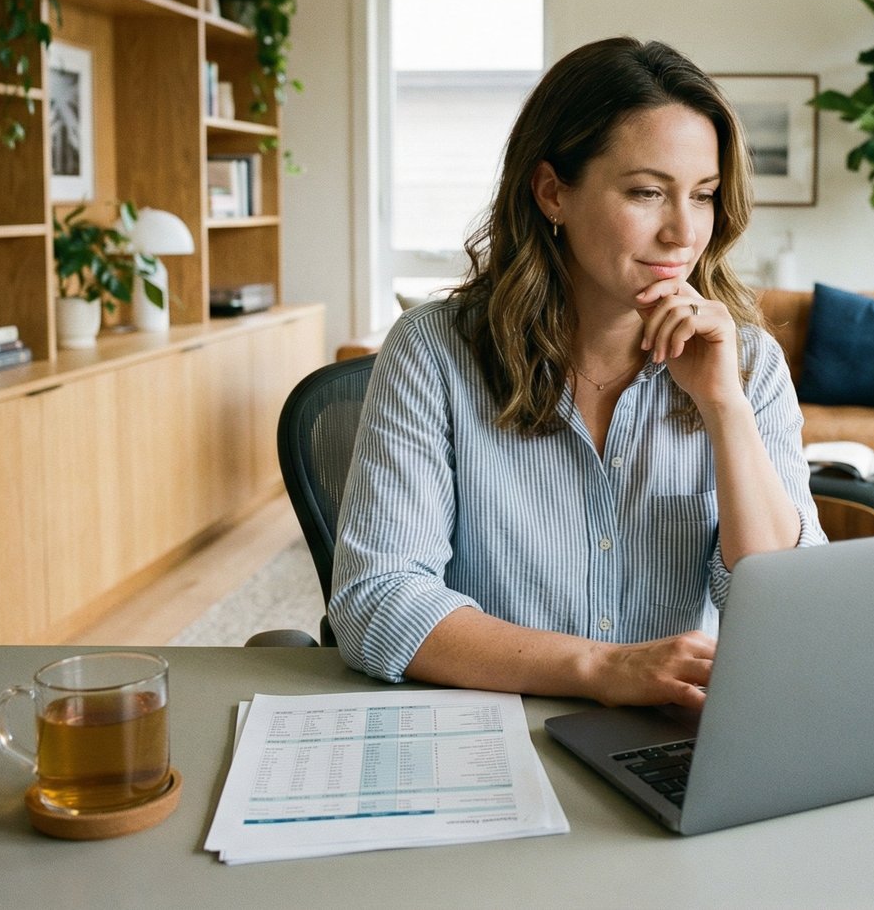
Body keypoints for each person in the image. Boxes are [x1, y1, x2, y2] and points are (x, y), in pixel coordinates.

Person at [330, 37, 826, 709]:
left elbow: (787, 610)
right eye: (648, 192)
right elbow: (377, 600)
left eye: (704, 195)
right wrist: (604, 669)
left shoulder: (749, 364)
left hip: (674, 737)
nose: (684, 231)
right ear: (552, 192)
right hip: (495, 728)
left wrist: (724, 407)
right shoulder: (434, 351)